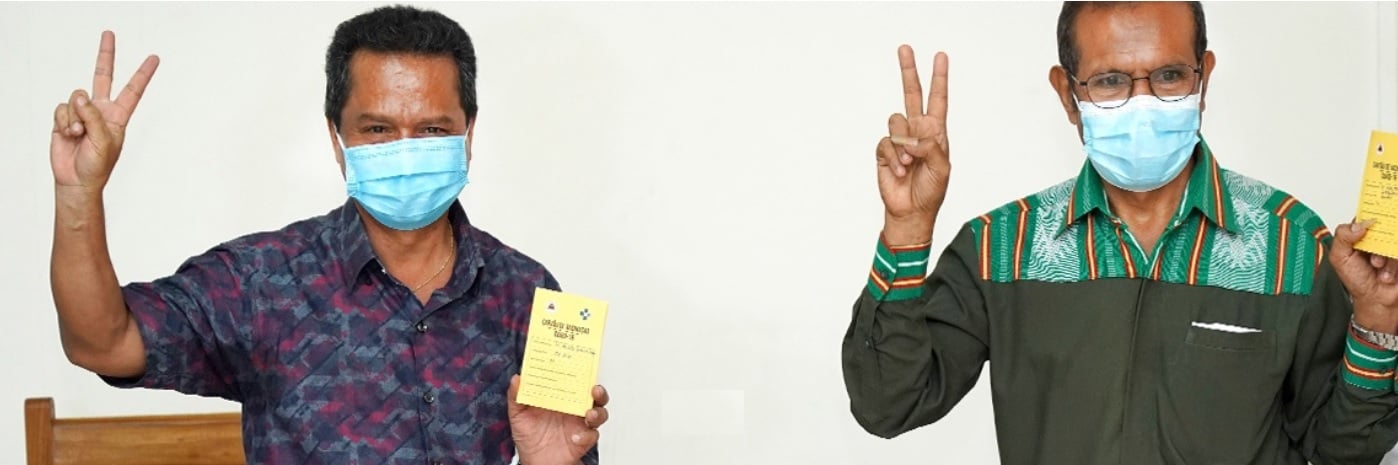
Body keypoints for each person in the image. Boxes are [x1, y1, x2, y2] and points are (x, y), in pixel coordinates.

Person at [842, 2, 1398, 464]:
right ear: (1067, 95)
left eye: (1169, 75)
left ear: (1203, 77)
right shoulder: (1001, 250)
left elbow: (1340, 452)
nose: (1144, 104)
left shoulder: (1291, 247)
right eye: (1110, 81)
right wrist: (907, 230)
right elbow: (888, 404)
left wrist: (1376, 325)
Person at [48, 5, 606, 465]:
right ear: (337, 139)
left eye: (432, 129)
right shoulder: (260, 283)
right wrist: (78, 195)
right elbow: (102, 343)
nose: (404, 149)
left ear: (468, 134)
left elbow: (559, 447)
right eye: (378, 128)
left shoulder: (529, 293)